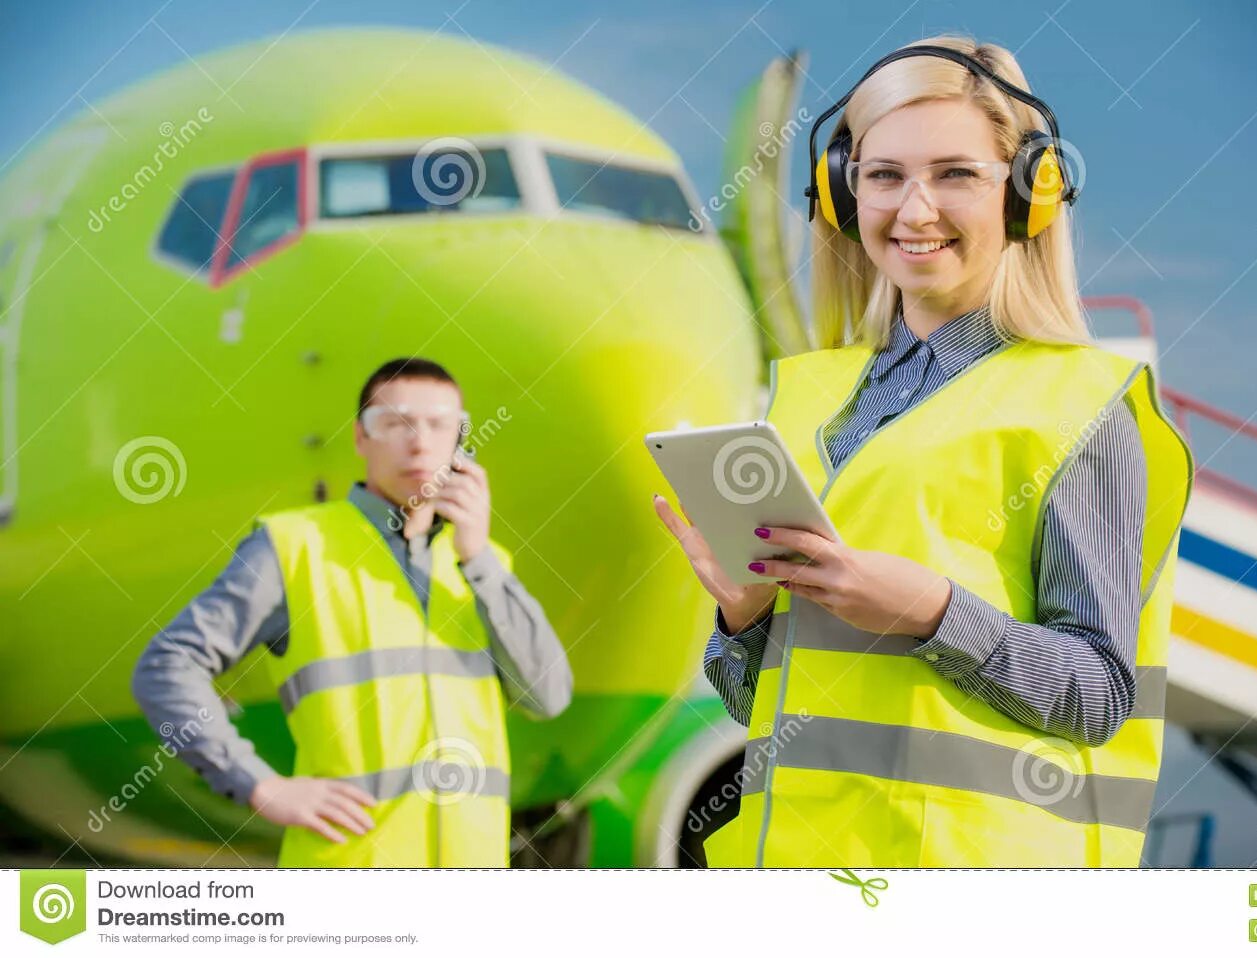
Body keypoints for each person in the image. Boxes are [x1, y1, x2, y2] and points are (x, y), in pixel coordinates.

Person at [654, 36, 1192, 868]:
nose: (913, 210)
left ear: (1028, 196)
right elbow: (757, 704)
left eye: (955, 174)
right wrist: (744, 620)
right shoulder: (806, 398)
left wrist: (936, 614)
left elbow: (1098, 694)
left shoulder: (1080, 405)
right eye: (883, 175)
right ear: (841, 192)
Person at [133, 358, 572, 867]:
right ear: (361, 438)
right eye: (395, 423)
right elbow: (167, 666)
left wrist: (480, 563)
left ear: (461, 441)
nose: (420, 443)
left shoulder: (484, 566)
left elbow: (548, 696)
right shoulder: (292, 546)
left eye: (439, 425)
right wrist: (258, 784)